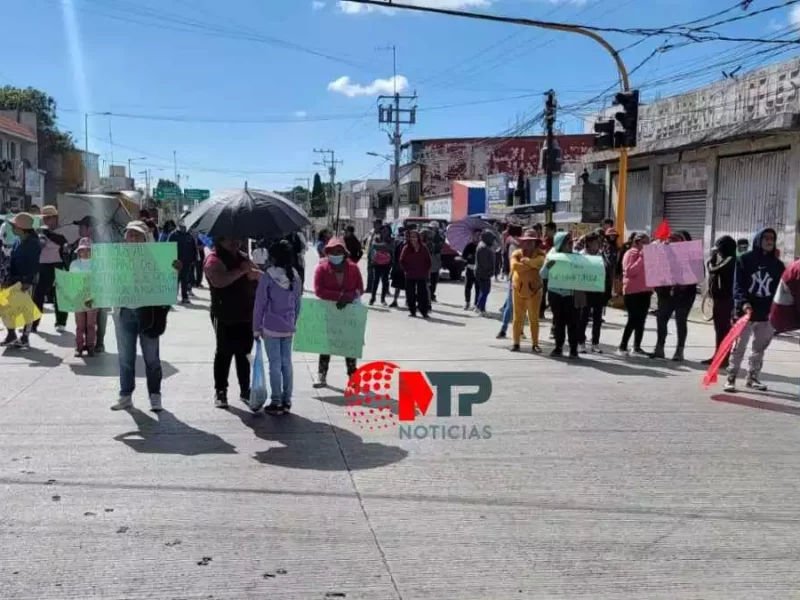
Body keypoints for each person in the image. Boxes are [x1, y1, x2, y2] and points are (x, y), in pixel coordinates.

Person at [109, 221, 181, 413]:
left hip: (148, 313)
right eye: (129, 234)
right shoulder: (117, 258)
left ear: (145, 237)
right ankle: (125, 396)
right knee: (126, 358)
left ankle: (155, 396)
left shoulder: (157, 258)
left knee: (152, 358)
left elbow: (167, 285)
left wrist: (174, 270)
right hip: (124, 312)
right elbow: (107, 282)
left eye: (137, 235)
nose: (132, 238)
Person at [204, 236, 261, 409]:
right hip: (223, 313)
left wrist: (254, 273)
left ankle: (245, 389)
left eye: (235, 237)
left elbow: (258, 277)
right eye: (228, 238)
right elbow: (218, 281)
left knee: (244, 353)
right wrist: (241, 272)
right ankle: (221, 391)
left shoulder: (243, 258)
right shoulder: (213, 259)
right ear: (219, 241)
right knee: (224, 352)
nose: (233, 241)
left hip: (246, 313)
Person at [725, 228, 785, 393]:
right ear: (758, 240)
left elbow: (781, 290)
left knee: (759, 349)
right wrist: (743, 303)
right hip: (745, 312)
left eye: (772, 238)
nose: (769, 241)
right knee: (739, 347)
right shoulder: (744, 260)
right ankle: (731, 377)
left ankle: (752, 378)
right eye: (765, 238)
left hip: (766, 313)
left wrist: (779, 312)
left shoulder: (778, 265)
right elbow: (737, 285)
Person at [253, 239, 303, 415]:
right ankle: (287, 401)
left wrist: (256, 327)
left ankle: (276, 401)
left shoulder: (268, 276)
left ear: (273, 258)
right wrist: (292, 321)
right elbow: (298, 304)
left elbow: (260, 304)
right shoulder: (295, 276)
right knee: (286, 363)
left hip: (271, 327)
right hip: (288, 327)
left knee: (274, 364)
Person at [312, 238, 364, 387]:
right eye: (333, 251)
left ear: (344, 252)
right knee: (326, 345)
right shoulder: (321, 268)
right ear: (327, 252)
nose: (336, 254)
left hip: (349, 311)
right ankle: (321, 375)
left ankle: (352, 375)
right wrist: (339, 296)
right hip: (329, 312)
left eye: (339, 251)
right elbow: (318, 290)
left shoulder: (353, 268)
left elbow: (360, 288)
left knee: (349, 344)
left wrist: (348, 297)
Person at [650, 231, 697, 362]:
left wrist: (682, 281)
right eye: (669, 242)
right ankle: (659, 348)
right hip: (665, 295)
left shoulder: (692, 257)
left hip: (684, 296)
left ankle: (679, 351)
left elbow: (698, 275)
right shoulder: (662, 255)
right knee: (661, 319)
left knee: (680, 321)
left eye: (675, 242)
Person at [0, 213, 41, 348]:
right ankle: (11, 333)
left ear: (21, 228)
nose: (12, 228)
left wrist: (27, 281)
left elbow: (34, 265)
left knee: (26, 309)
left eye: (14, 226)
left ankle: (25, 336)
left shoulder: (34, 243)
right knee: (6, 306)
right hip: (14, 279)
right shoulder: (18, 241)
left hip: (26, 281)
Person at [72, 216, 110, 353]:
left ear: (90, 229)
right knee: (81, 322)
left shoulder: (102, 245)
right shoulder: (76, 244)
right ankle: (81, 345)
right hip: (80, 293)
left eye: (81, 227)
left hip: (98, 291)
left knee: (98, 317)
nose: (79, 229)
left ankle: (96, 343)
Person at [542, 232, 580, 359]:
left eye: (572, 242)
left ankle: (573, 349)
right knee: (558, 322)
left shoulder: (577, 257)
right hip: (556, 295)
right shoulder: (552, 257)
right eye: (568, 242)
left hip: (572, 295)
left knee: (573, 323)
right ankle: (558, 347)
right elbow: (543, 274)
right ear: (560, 244)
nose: (571, 244)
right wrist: (549, 265)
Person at [31, 205, 69, 333]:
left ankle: (61, 321)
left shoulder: (62, 230)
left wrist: (49, 233)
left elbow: (62, 242)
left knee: (60, 293)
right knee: (38, 294)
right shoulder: (38, 231)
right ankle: (34, 322)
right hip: (42, 264)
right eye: (45, 218)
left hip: (58, 263)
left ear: (55, 218)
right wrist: (39, 235)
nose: (47, 220)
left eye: (49, 218)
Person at [702, 235, 737, 366]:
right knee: (719, 330)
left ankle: (723, 358)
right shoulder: (726, 259)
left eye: (719, 249)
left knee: (723, 330)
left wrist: (711, 260)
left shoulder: (730, 259)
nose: (717, 252)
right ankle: (719, 356)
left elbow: (714, 270)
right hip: (719, 299)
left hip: (725, 300)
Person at [510, 230, 545, 353]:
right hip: (517, 288)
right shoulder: (516, 253)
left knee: (533, 318)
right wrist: (530, 265)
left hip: (535, 290)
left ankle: (535, 344)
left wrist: (528, 262)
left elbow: (539, 263)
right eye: (525, 241)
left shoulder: (541, 253)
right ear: (522, 242)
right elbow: (514, 266)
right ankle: (515, 343)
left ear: (536, 243)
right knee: (517, 317)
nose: (528, 244)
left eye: (531, 242)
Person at [617, 233, 652, 357]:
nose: (647, 245)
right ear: (637, 242)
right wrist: (641, 258)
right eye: (644, 242)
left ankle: (637, 346)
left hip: (646, 291)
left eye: (648, 242)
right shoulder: (630, 253)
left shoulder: (649, 255)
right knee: (633, 319)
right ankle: (622, 346)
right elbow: (630, 271)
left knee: (641, 320)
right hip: (632, 292)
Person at [578, 232, 610, 354]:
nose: (597, 245)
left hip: (598, 290)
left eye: (598, 242)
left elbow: (607, 271)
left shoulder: (602, 255)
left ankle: (595, 343)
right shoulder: (581, 256)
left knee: (597, 319)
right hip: (584, 291)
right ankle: (581, 342)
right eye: (595, 242)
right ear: (588, 244)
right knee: (583, 317)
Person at [70, 237, 98, 357]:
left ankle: (91, 346)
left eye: (88, 250)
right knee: (80, 325)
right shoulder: (74, 264)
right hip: (78, 297)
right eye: (83, 250)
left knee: (91, 325)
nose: (85, 252)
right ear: (79, 251)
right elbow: (70, 281)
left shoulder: (97, 264)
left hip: (92, 297)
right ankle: (79, 346)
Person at [496, 225, 523, 339]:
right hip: (516, 276)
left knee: (516, 304)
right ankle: (504, 329)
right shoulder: (514, 244)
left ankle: (514, 329)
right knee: (512, 304)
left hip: (515, 276)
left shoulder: (512, 242)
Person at [400, 229, 432, 319]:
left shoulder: (423, 248)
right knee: (410, 294)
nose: (413, 239)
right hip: (410, 275)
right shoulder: (406, 248)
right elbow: (401, 260)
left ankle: (424, 311)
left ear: (418, 238)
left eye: (415, 237)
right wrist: (406, 269)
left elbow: (428, 261)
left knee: (423, 294)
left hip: (422, 275)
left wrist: (426, 271)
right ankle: (412, 311)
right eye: (411, 237)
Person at [167, 224, 197, 304]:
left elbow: (194, 248)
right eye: (181, 226)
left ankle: (185, 297)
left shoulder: (189, 236)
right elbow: (168, 247)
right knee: (175, 280)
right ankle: (173, 297)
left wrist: (194, 259)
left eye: (184, 226)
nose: (183, 228)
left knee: (185, 280)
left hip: (187, 262)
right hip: (176, 262)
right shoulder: (173, 235)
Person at [368, 226, 394, 306]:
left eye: (386, 231)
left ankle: (383, 299)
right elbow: (373, 247)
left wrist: (380, 247)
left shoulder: (391, 239)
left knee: (385, 281)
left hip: (387, 263)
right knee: (375, 280)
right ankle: (372, 298)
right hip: (377, 263)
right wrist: (384, 247)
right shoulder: (377, 238)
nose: (384, 232)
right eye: (383, 231)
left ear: (389, 232)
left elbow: (390, 248)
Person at [474, 230, 495, 315]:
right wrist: (489, 271)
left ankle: (479, 307)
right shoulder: (483, 248)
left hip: (482, 272)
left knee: (484, 291)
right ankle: (481, 309)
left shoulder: (484, 246)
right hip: (483, 273)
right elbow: (484, 263)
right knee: (485, 291)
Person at [539, 222, 557, 318]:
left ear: (553, 230)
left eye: (548, 230)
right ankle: (541, 311)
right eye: (546, 230)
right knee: (543, 291)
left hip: (555, 271)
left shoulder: (558, 241)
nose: (546, 232)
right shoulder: (544, 240)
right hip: (545, 269)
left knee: (553, 293)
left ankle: (554, 310)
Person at [425, 222, 445, 302]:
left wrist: (432, 245)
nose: (431, 230)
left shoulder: (439, 237)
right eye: (430, 228)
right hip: (426, 261)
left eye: (433, 228)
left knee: (434, 280)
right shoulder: (425, 236)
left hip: (435, 261)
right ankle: (426, 295)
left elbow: (439, 247)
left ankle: (432, 295)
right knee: (426, 280)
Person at [462, 231, 480, 310]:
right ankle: (467, 302)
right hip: (469, 270)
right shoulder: (469, 246)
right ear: (473, 236)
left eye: (479, 235)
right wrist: (468, 264)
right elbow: (463, 258)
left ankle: (476, 304)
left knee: (478, 288)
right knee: (467, 287)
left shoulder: (482, 246)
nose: (477, 237)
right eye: (476, 235)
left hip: (479, 271)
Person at [364, 219, 383, 293]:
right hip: (370, 254)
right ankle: (369, 288)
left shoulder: (383, 232)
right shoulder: (372, 231)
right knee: (370, 272)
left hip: (378, 255)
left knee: (380, 273)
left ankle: (385, 289)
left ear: (379, 224)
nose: (374, 225)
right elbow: (368, 241)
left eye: (375, 223)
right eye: (374, 223)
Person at [389, 227, 406, 308]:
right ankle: (395, 301)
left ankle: (408, 301)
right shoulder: (399, 243)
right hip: (398, 268)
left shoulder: (412, 245)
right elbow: (395, 256)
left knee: (409, 286)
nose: (404, 237)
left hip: (407, 269)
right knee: (397, 286)